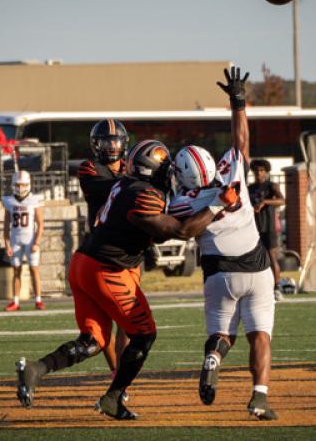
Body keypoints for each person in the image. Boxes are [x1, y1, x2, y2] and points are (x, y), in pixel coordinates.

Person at [15, 139, 239, 420]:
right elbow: (181, 231)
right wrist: (217, 204)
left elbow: (157, 231)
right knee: (144, 335)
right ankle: (113, 397)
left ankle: (35, 370)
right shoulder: (144, 194)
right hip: (107, 269)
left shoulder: (126, 185)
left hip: (84, 262)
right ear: (155, 170)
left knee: (93, 341)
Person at [170, 66, 277, 420]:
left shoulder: (183, 203)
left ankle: (214, 357)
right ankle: (259, 397)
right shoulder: (232, 172)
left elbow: (180, 228)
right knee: (259, 334)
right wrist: (238, 102)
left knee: (222, 334)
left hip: (218, 274)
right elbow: (241, 141)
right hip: (257, 267)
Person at [78, 119, 129, 384]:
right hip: (100, 251)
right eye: (106, 141)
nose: (111, 146)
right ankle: (115, 371)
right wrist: (137, 181)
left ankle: (120, 374)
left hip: (129, 249)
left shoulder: (129, 169)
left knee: (128, 318)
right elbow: (110, 189)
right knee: (106, 319)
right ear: (96, 144)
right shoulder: (90, 168)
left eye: (115, 140)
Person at [2, 170, 45, 311]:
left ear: (29, 184)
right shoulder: (9, 201)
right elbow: (6, 225)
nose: (20, 188)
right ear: (13, 185)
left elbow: (40, 224)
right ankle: (15, 301)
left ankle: (38, 300)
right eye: (18, 185)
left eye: (23, 185)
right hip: (15, 239)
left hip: (30, 239)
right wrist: (7, 244)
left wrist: (37, 242)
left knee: (34, 269)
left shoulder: (35, 200)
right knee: (16, 271)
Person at [248, 159, 286, 301]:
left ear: (266, 172)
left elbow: (282, 201)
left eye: (262, 170)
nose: (259, 173)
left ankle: (276, 288)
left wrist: (264, 202)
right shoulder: (249, 188)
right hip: (253, 229)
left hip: (268, 228)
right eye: (256, 170)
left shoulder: (271, 187)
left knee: (271, 258)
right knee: (253, 260)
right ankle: (257, 290)